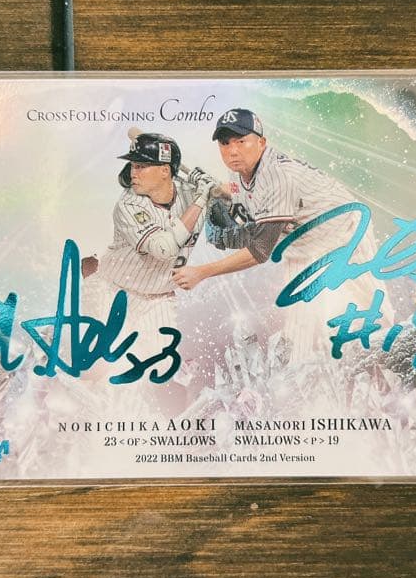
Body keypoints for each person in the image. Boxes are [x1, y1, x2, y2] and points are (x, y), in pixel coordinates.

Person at [172, 108, 393, 363]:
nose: (232, 150)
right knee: (298, 331)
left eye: (241, 141)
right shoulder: (240, 168)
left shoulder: (278, 176)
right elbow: (244, 192)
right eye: (225, 143)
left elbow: (260, 251)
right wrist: (217, 189)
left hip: (344, 230)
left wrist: (202, 272)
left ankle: (399, 353)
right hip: (301, 240)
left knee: (375, 312)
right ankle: (302, 376)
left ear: (261, 142)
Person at [81, 132, 213, 407]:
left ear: (165, 171)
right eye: (133, 165)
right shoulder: (129, 203)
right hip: (113, 290)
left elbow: (236, 211)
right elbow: (164, 248)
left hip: (159, 298)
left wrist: (216, 191)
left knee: (159, 372)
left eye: (141, 166)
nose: (133, 172)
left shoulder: (190, 192)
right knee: (98, 365)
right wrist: (202, 200)